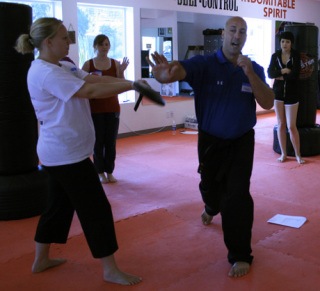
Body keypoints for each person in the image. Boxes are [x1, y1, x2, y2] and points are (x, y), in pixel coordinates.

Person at [15, 17, 142, 286]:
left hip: (60, 153)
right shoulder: (45, 72)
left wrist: (130, 82)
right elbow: (91, 90)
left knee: (57, 207)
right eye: (64, 37)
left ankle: (41, 259)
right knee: (97, 210)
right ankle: (109, 269)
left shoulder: (62, 66)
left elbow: (97, 80)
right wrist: (133, 86)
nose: (69, 41)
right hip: (65, 156)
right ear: (48, 42)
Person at [146, 16, 274, 278]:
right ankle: (211, 206)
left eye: (242, 31)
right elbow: (181, 70)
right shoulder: (205, 63)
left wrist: (249, 73)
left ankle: (240, 254)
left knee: (237, 196)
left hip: (241, 141)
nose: (237, 35)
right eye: (232, 30)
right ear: (223, 35)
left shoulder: (254, 68)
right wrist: (167, 74)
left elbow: (269, 102)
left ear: (245, 37)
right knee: (210, 187)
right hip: (210, 141)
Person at [82, 34, 129, 184]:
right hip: (95, 108)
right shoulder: (88, 64)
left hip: (112, 107)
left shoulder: (115, 64)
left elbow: (122, 84)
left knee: (110, 142)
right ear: (95, 46)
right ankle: (99, 171)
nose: (105, 47)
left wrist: (121, 71)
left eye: (107, 44)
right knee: (98, 141)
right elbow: (81, 84)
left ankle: (110, 171)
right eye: (102, 44)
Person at [267, 31, 304, 164]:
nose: (284, 44)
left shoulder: (296, 56)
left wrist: (281, 77)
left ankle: (298, 154)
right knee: (281, 124)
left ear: (291, 43)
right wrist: (282, 71)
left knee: (291, 126)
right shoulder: (275, 56)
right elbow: (270, 73)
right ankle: (283, 154)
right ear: (280, 42)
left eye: (287, 42)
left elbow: (295, 74)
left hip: (292, 94)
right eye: (283, 41)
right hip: (278, 94)